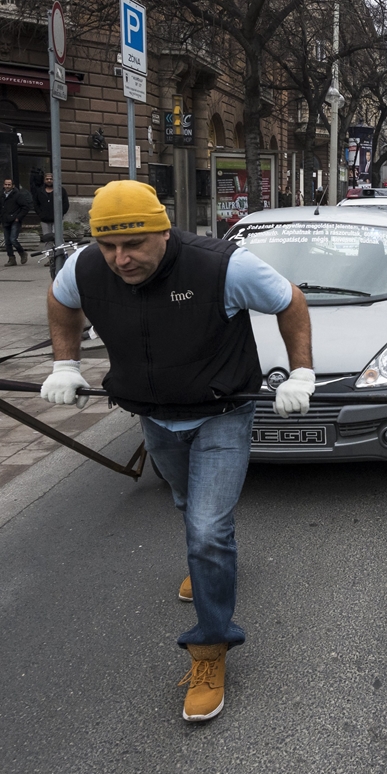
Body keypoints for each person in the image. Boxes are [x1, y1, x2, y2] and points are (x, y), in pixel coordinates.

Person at [39, 180, 315, 723]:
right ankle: (206, 560)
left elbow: (291, 301)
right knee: (191, 508)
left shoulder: (223, 266)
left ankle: (210, 649)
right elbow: (60, 301)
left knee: (209, 526)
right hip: (154, 415)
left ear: (164, 230)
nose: (121, 259)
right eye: (109, 246)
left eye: (135, 244)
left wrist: (302, 372)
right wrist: (64, 363)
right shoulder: (85, 267)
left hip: (220, 414)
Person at [0, 179, 32, 265]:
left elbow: (25, 207)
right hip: (5, 220)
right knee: (7, 242)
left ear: (13, 186)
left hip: (15, 220)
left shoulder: (18, 195)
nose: (7, 186)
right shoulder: (2, 196)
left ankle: (22, 253)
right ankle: (11, 258)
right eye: (6, 184)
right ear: (3, 185)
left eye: (9, 184)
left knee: (13, 239)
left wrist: (18, 217)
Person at [32, 172, 69, 245]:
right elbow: (36, 204)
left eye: (51, 179)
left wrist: (61, 214)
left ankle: (59, 253)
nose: (49, 180)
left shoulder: (60, 190)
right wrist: (40, 214)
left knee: (57, 237)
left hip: (57, 219)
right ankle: (50, 255)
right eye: (47, 179)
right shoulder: (39, 191)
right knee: (47, 239)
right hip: (44, 219)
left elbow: (65, 204)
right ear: (44, 180)